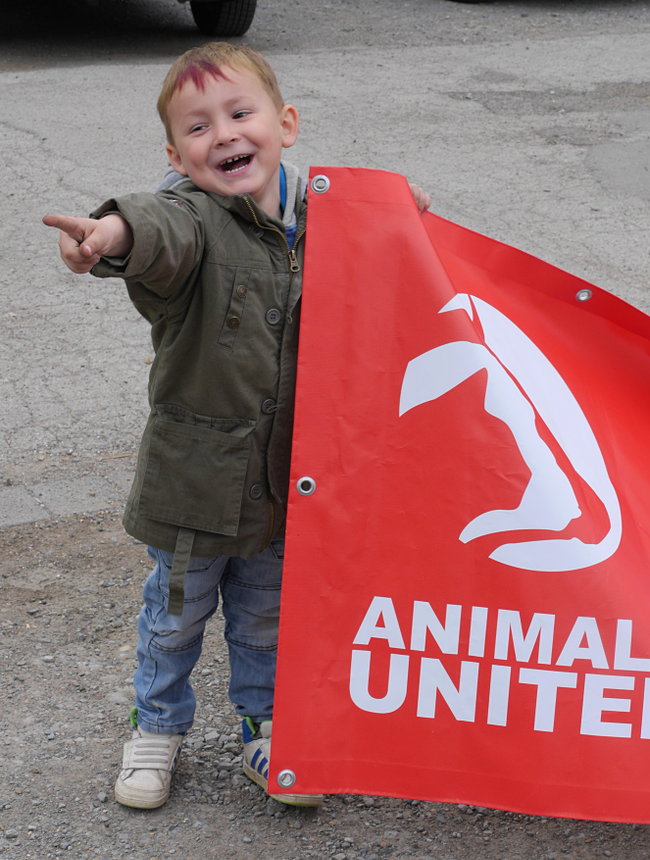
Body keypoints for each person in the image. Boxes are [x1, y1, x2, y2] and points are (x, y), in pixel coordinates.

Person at [43, 42, 430, 812]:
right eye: (198, 127)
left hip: (290, 477)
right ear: (176, 155)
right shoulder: (191, 220)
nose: (222, 135)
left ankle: (266, 728)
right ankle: (156, 725)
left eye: (240, 114)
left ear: (284, 124)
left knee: (266, 614)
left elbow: (390, 264)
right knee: (175, 616)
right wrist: (110, 236)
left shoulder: (327, 215)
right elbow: (155, 230)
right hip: (195, 482)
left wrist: (396, 213)